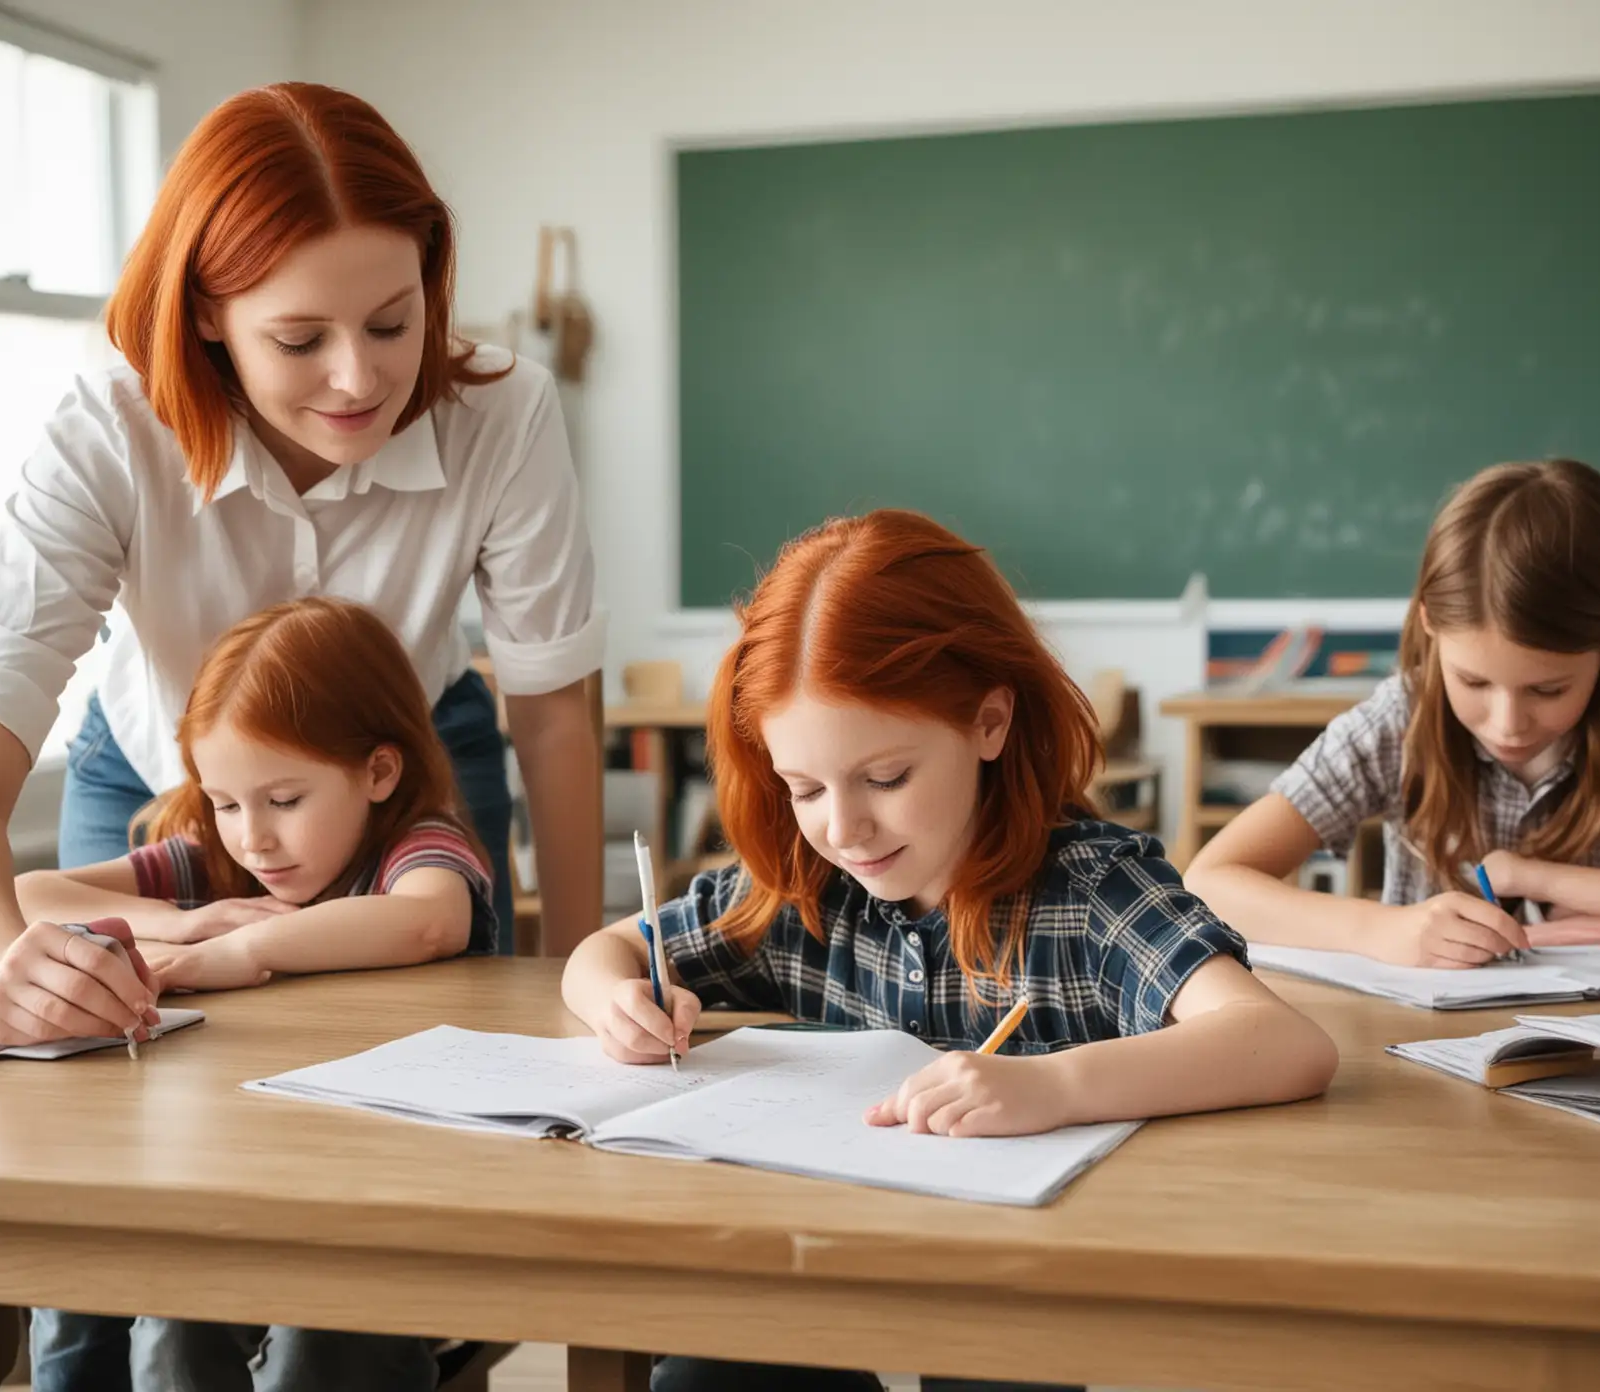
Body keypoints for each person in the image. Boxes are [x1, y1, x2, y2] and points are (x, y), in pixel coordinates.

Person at [0, 81, 602, 1392]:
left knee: (401, 1138)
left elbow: (554, 713)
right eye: (301, 340)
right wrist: (6, 963)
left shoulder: (501, 410)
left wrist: (577, 975)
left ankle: (388, 1344)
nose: (359, 378)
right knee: (111, 1161)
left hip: (408, 753)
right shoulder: (106, 426)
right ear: (208, 317)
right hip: (166, 769)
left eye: (393, 322)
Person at [561, 509, 1339, 1392]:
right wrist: (615, 1002)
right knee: (706, 1377)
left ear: (989, 723)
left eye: (886, 778)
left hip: (1014, 1295)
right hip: (814, 1274)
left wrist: (1053, 1085)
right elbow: (608, 950)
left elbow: (1285, 1044)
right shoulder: (800, 884)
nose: (844, 828)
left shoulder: (1088, 892)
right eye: (804, 787)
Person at [1185, 459, 1600, 964]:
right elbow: (1211, 880)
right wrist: (1382, 931)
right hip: (1433, 1051)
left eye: (1547, 690)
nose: (1507, 723)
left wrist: (1540, 879)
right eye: (1473, 681)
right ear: (1430, 625)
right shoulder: (1400, 722)